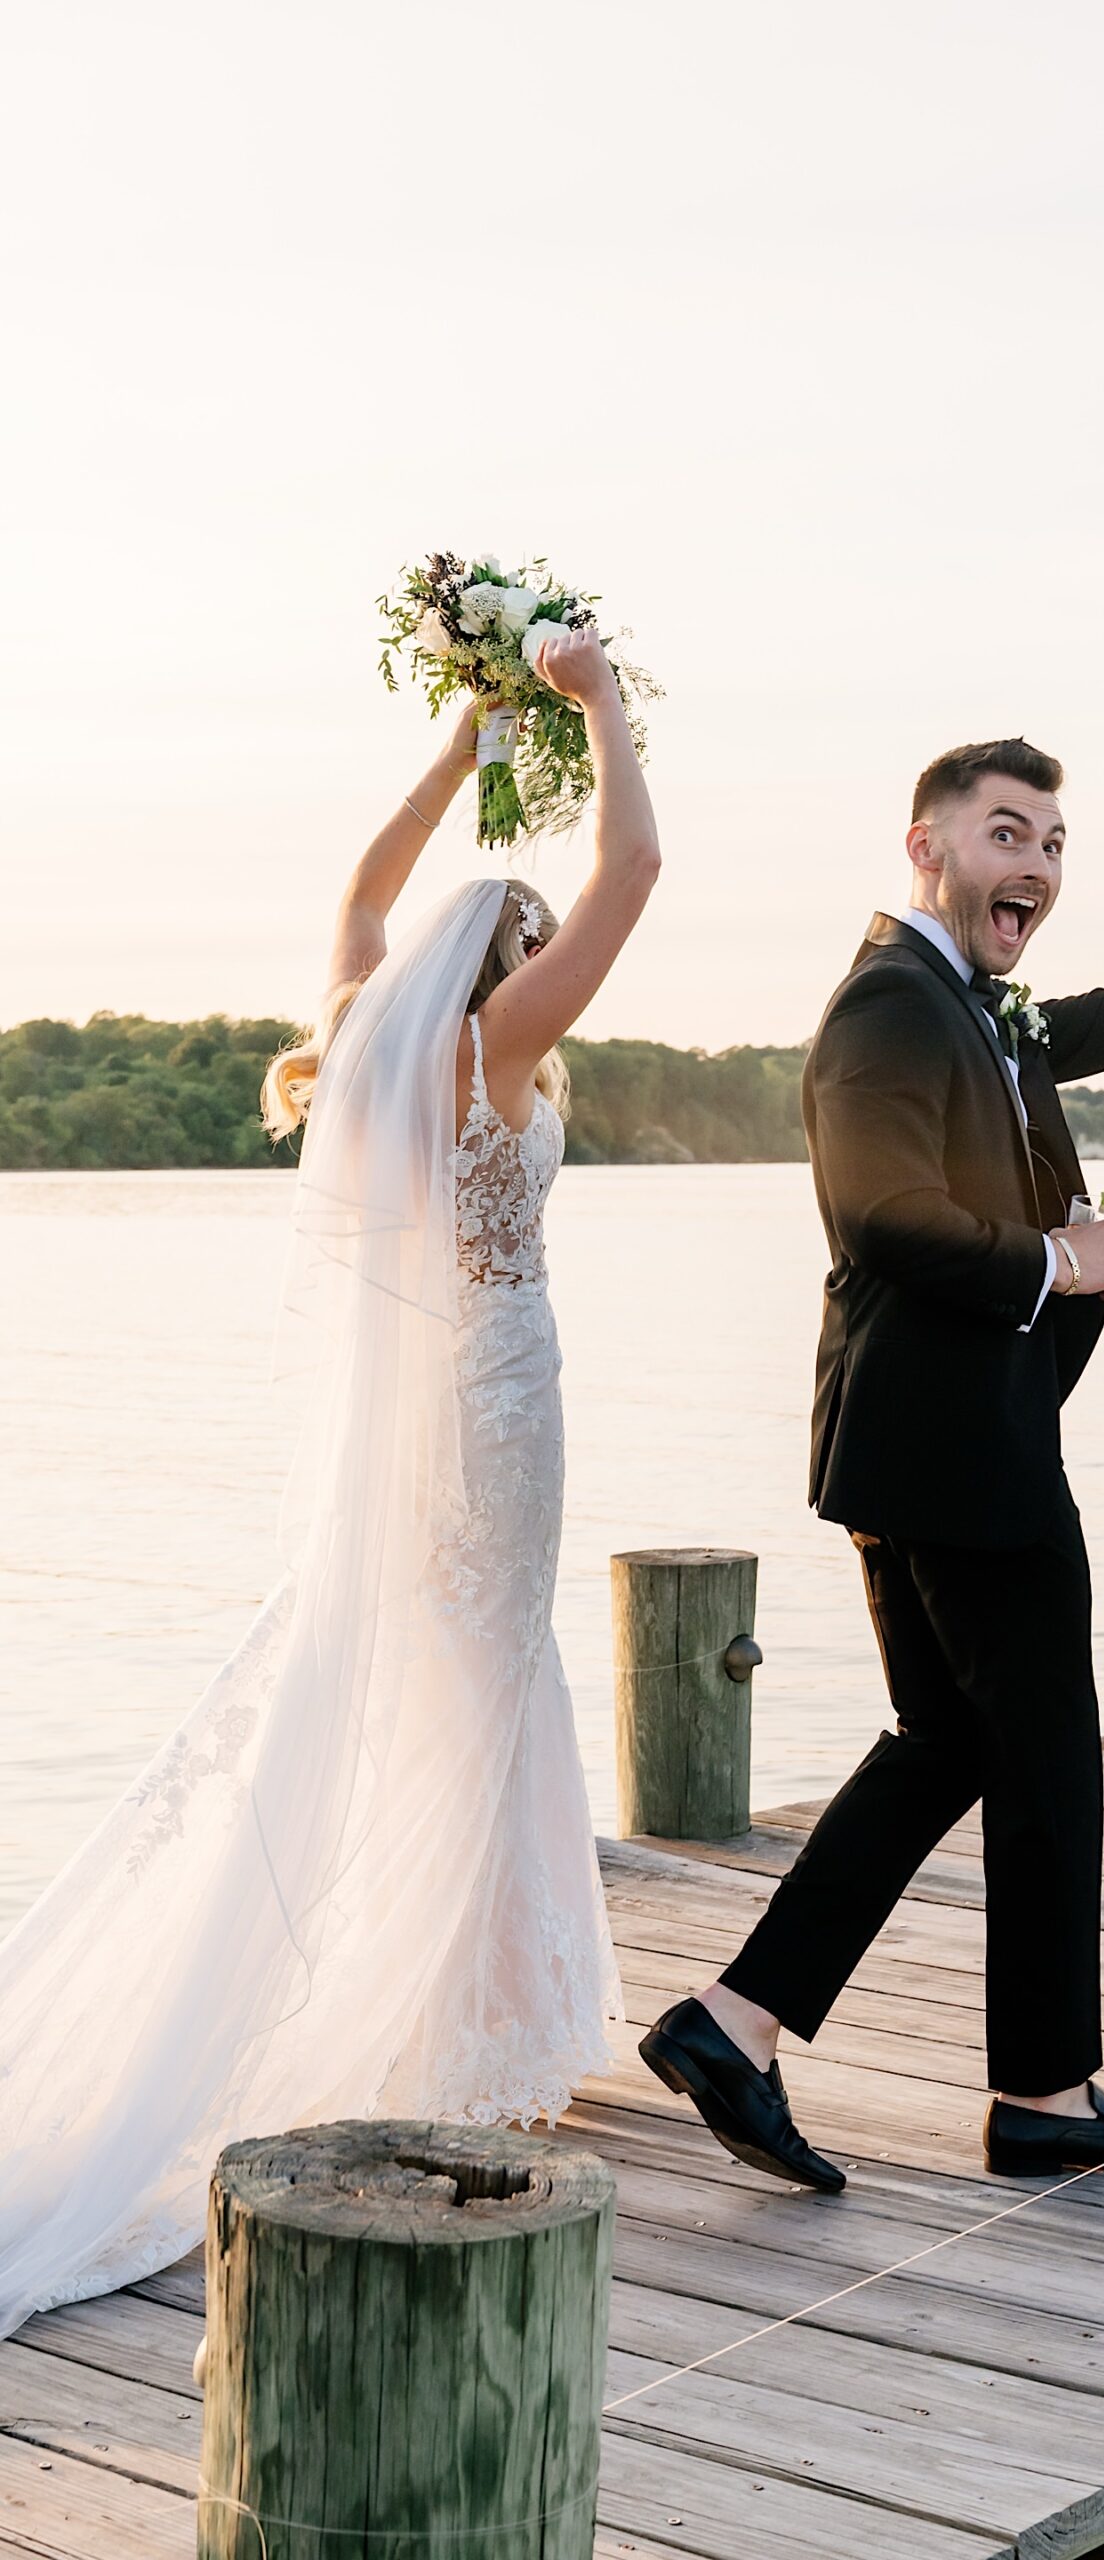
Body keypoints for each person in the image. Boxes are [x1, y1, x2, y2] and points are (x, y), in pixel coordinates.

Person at [0, 625, 661, 2338]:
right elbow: (637, 869)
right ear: (507, 970)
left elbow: (366, 889)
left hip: (415, 1418)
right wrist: (594, 708)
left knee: (441, 1693)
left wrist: (460, 749)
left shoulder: (373, 1037)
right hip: (502, 1409)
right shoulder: (493, 1052)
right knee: (491, 1691)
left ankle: (475, 2012)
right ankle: (457, 2028)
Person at [642, 725, 1104, 2190]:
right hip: (955, 1451)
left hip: (938, 1443)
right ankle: (1040, 2097)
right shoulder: (889, 1008)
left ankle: (734, 2023)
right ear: (930, 846)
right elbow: (881, 1217)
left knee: (951, 1742)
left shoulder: (980, 1006)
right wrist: (1058, 1260)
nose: (1035, 865)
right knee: (1047, 1763)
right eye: (1007, 833)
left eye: (1053, 845)